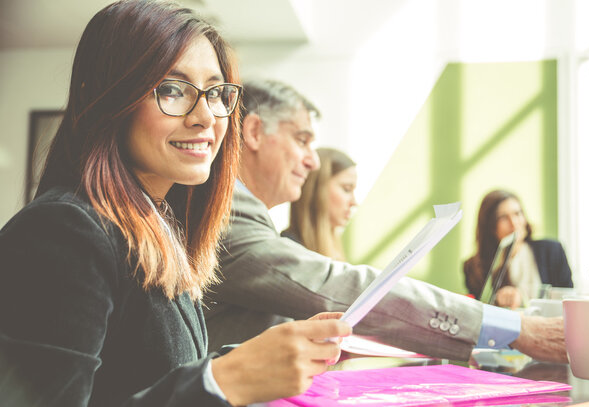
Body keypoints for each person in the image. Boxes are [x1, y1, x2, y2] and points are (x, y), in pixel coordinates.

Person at [0, 2, 351, 406]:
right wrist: (225, 380)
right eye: (171, 89)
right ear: (106, 97)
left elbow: (144, 377)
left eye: (216, 93)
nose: (205, 116)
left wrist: (250, 360)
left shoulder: (160, 225)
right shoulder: (63, 231)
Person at [203, 79, 567, 365]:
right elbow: (340, 286)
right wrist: (515, 328)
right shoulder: (227, 212)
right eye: (302, 140)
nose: (311, 162)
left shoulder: (239, 214)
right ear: (252, 133)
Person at [463, 189, 573, 309]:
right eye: (503, 217)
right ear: (490, 226)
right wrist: (497, 300)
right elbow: (480, 312)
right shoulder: (474, 267)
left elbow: (567, 299)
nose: (514, 223)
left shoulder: (552, 251)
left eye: (517, 213)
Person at [282, 147, 358, 260]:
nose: (354, 203)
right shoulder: (288, 250)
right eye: (346, 189)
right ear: (317, 190)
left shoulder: (334, 250)